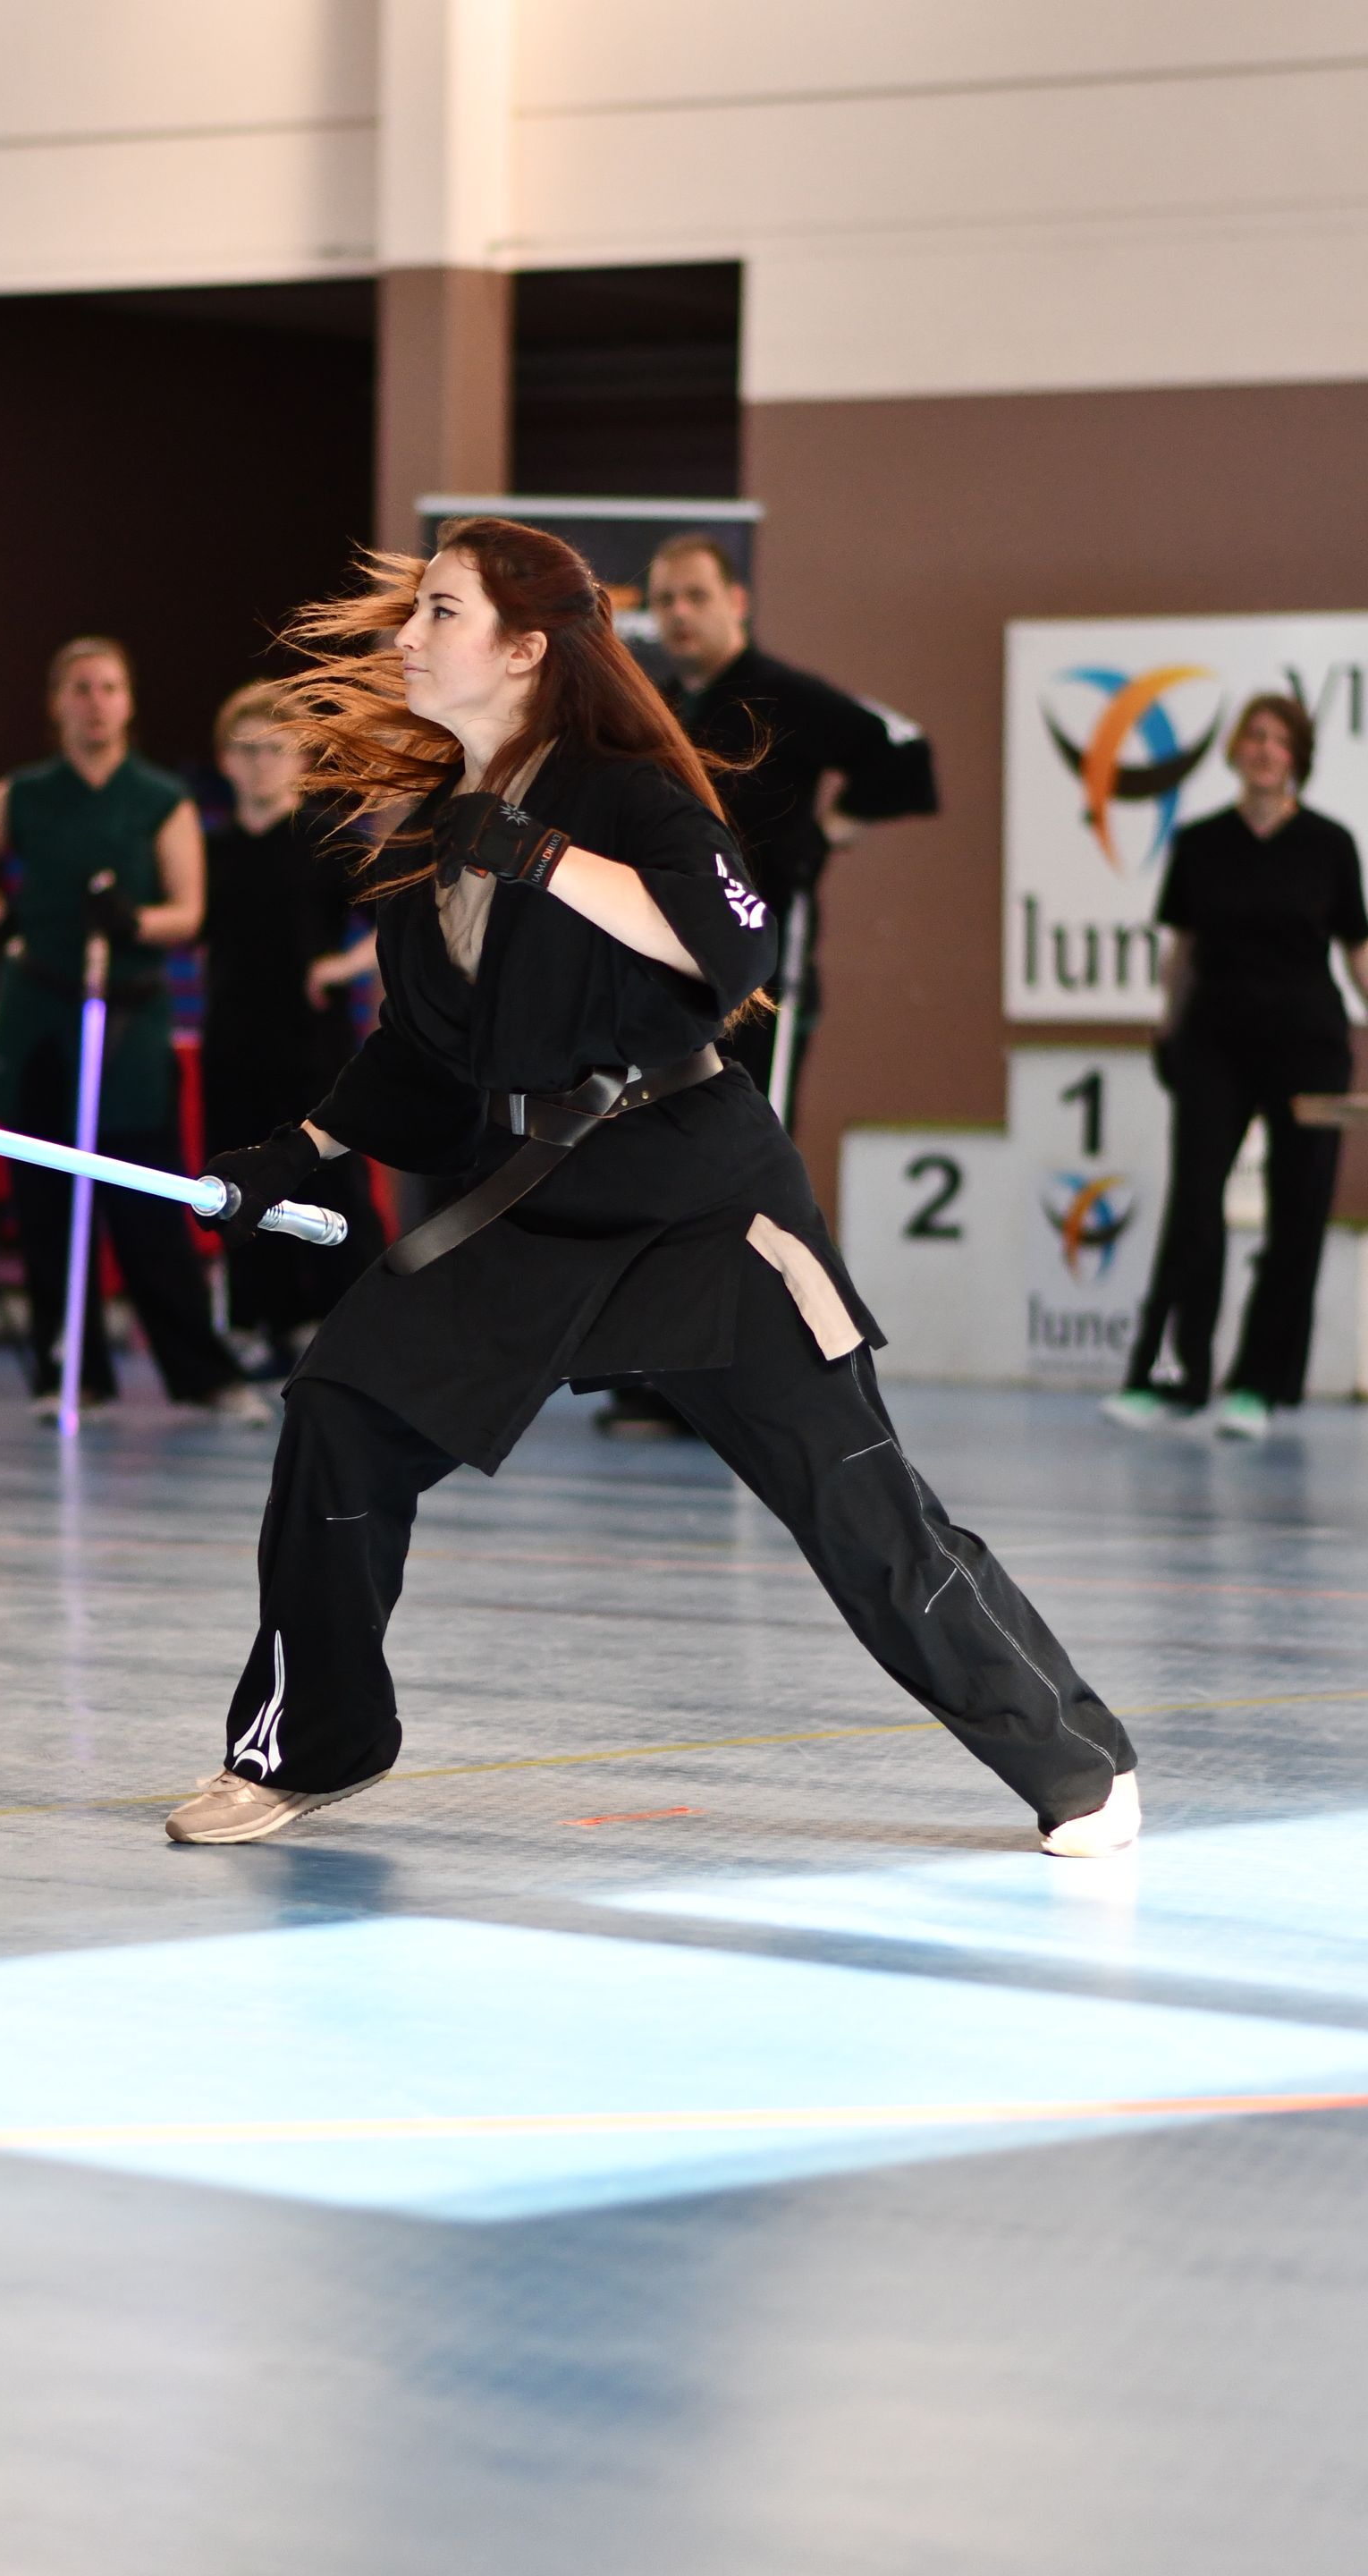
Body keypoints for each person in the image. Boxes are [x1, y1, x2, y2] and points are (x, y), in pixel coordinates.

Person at [164, 517, 1138, 1860]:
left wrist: (542, 856)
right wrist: (300, 1152)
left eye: (439, 612)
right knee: (341, 1413)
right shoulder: (432, 836)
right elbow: (424, 1057)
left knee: (859, 1506)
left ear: (524, 650)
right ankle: (311, 1744)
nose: (408, 636)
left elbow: (735, 947)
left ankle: (1075, 1763)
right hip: (533, 1202)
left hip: (702, 1201)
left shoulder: (625, 794)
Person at [595, 530, 940, 1438]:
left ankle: (789, 1375)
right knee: (669, 1164)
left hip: (762, 978)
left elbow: (905, 754)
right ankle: (674, 1373)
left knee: (750, 1173)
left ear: (737, 602)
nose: (679, 615)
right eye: (665, 601)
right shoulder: (661, 706)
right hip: (672, 978)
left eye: (696, 597)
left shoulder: (785, 694)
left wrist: (830, 832)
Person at [0, 635, 266, 1421]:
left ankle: (200, 1376)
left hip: (128, 1015)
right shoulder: (25, 792)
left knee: (146, 1199)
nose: (95, 703)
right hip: (42, 1011)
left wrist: (132, 921)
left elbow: (189, 911)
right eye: (80, 688)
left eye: (109, 687)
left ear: (129, 702)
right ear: (57, 704)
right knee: (45, 1199)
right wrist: (7, 918)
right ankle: (70, 1372)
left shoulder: (159, 798)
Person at [1104, 693, 1368, 1440]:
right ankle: (1175, 1377)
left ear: (1298, 757)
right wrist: (1168, 1026)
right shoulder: (1200, 842)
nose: (1264, 749)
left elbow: (1357, 950)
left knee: (1298, 1212)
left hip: (1309, 1049)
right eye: (1254, 736)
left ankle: (1259, 1385)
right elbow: (1182, 951)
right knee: (1195, 1203)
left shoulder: (1330, 844)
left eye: (1279, 740)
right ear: (1236, 750)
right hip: (1214, 1043)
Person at [201, 682, 385, 1374]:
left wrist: (341, 967)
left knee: (331, 1180)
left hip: (313, 1048)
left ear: (301, 758)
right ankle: (262, 1323)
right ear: (225, 759)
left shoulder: (327, 839)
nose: (259, 764)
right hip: (233, 1043)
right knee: (239, 1182)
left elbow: (396, 922)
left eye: (273, 750)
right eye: (246, 750)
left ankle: (353, 1325)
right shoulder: (212, 849)